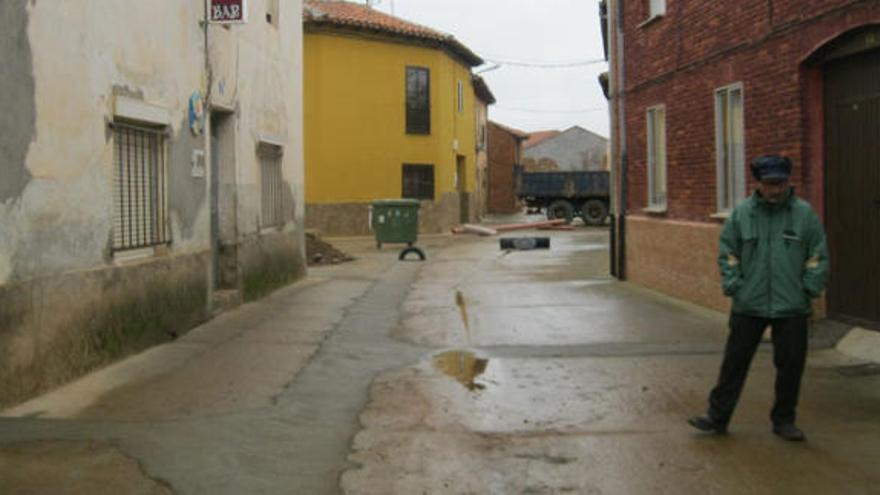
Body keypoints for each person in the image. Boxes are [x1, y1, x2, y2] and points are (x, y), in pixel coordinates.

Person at [688, 155, 829, 441]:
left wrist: (808, 290)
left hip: (791, 306)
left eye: (779, 183)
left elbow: (818, 255)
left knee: (790, 368)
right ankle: (717, 417)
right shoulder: (743, 214)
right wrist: (734, 284)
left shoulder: (804, 215)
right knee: (734, 364)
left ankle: (784, 421)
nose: (775, 190)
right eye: (769, 184)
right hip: (748, 304)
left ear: (787, 182)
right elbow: (728, 252)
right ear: (759, 183)